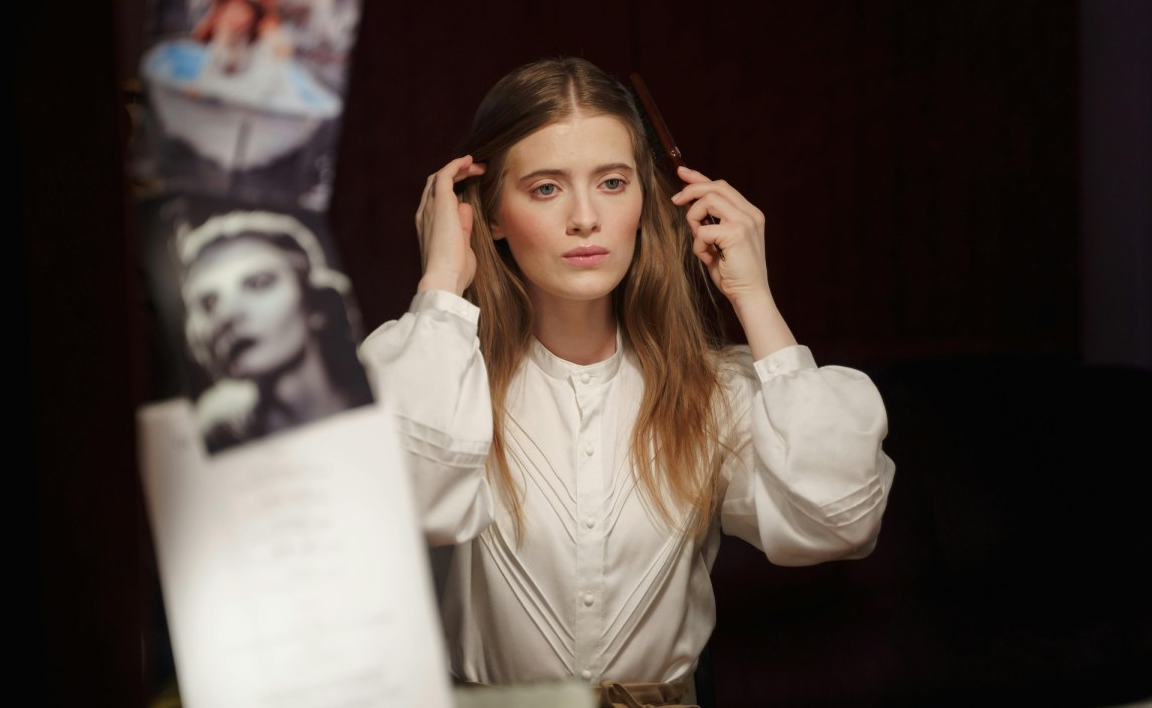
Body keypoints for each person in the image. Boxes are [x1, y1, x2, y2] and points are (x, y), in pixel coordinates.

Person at [359, 57, 895, 706]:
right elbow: (406, 501)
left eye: (613, 183)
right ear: (490, 214)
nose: (586, 218)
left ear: (645, 199)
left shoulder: (711, 391)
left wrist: (754, 296)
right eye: (546, 188)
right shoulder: (446, 385)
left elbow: (839, 520)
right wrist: (442, 281)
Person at [177, 209, 373, 453]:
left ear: (314, 305)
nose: (227, 315)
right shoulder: (215, 432)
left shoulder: (382, 387)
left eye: (259, 283)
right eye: (209, 303)